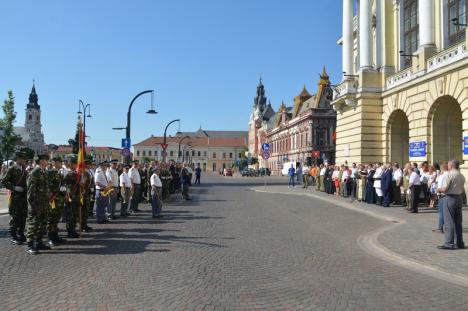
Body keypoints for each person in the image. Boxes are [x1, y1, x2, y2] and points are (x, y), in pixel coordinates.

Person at [1, 151, 28, 245]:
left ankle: (21, 233)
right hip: (16, 197)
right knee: (14, 217)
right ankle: (13, 236)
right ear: (19, 159)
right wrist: (14, 187)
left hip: (24, 197)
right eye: (23, 158)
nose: (25, 160)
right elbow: (4, 181)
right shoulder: (12, 169)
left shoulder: (24, 169)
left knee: (23, 216)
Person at [437, 160, 465, 250]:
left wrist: (439, 189)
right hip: (459, 198)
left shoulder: (449, 175)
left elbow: (445, 189)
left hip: (449, 198)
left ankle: (449, 243)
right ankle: (460, 242)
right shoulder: (461, 175)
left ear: (451, 166)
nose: (448, 167)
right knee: (458, 222)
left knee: (449, 221)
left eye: (448, 165)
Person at [26, 154, 50, 255]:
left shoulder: (42, 171)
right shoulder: (35, 172)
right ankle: (30, 245)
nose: (47, 162)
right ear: (41, 161)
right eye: (46, 160)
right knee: (33, 224)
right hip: (36, 204)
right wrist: (33, 205)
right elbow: (31, 191)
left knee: (42, 224)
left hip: (43, 203)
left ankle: (39, 242)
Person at [46, 156, 67, 246]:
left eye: (61, 162)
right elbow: (48, 186)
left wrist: (64, 188)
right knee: (51, 219)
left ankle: (55, 236)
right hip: (53, 199)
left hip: (59, 199)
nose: (61, 163)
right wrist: (59, 188)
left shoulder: (59, 172)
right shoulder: (50, 172)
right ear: (54, 162)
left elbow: (62, 183)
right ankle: (50, 238)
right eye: (58, 162)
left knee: (56, 219)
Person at [64, 156, 81, 237]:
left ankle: (73, 230)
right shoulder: (67, 174)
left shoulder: (77, 174)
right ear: (69, 164)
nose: (74, 165)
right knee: (70, 216)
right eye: (72, 164)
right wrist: (68, 197)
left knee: (74, 215)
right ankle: (70, 231)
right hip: (70, 198)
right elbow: (66, 187)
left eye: (75, 164)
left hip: (76, 198)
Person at [434, 162, 448, 233]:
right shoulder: (449, 174)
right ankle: (447, 227)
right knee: (447, 213)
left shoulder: (441, 176)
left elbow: (439, 187)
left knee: (441, 213)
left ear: (441, 168)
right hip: (449, 196)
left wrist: (437, 193)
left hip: (442, 195)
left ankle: (440, 228)